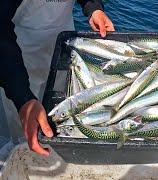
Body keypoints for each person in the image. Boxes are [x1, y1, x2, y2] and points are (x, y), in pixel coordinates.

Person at [0, 0, 114, 156]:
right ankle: (23, 155)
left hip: (64, 43)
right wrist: (22, 98)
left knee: (61, 108)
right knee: (25, 128)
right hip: (21, 53)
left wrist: (94, 8)